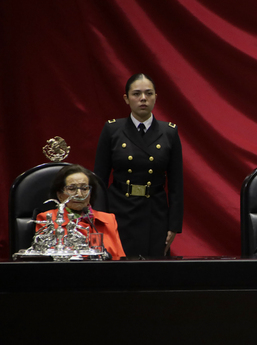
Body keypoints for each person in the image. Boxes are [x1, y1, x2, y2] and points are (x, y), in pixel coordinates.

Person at [94, 73, 183, 257]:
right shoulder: (112, 130)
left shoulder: (169, 132)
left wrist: (174, 225)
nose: (143, 98)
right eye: (136, 94)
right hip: (118, 210)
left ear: (156, 98)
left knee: (152, 274)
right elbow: (99, 180)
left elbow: (176, 184)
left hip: (155, 213)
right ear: (126, 99)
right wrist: (99, 219)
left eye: (149, 93)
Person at [35, 164, 126, 260]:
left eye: (84, 188)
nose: (79, 194)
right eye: (72, 189)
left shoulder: (108, 220)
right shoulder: (48, 219)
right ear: (60, 195)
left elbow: (120, 260)